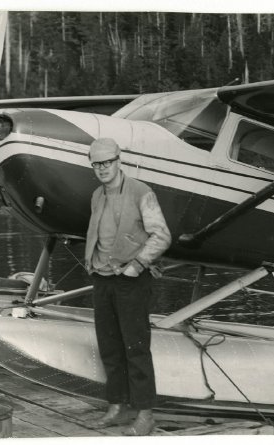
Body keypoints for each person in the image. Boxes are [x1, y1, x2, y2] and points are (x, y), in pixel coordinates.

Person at [85, 138, 171, 436]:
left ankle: (146, 415)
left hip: (131, 279)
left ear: (119, 161)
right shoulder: (97, 195)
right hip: (103, 277)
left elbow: (161, 236)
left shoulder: (141, 192)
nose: (102, 169)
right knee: (109, 345)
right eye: (97, 163)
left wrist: (137, 265)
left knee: (136, 347)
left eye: (107, 162)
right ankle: (117, 404)